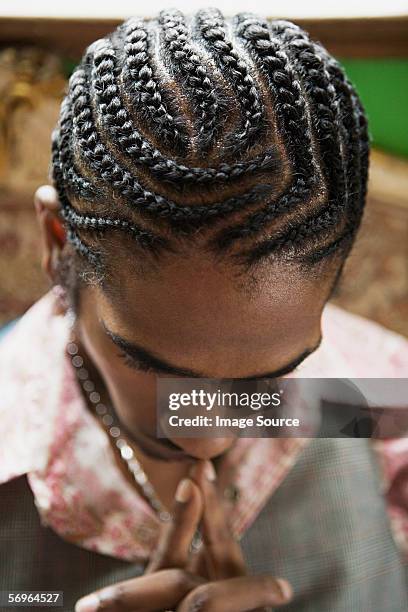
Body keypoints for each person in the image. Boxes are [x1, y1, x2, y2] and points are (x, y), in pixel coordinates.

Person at [0, 8, 407, 611]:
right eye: (153, 365)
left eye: (271, 374)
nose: (208, 439)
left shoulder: (384, 404)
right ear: (59, 242)